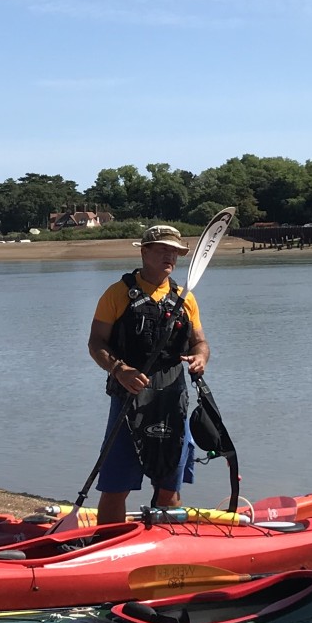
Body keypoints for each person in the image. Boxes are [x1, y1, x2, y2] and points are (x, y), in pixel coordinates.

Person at [86, 224, 212, 526]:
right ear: (144, 252)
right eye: (162, 250)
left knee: (169, 486)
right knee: (116, 486)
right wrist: (120, 369)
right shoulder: (117, 294)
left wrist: (200, 357)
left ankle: (166, 546)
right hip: (129, 402)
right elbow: (95, 343)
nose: (170, 256)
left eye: (175, 252)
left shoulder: (186, 298)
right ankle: (108, 546)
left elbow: (200, 342)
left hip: (172, 400)